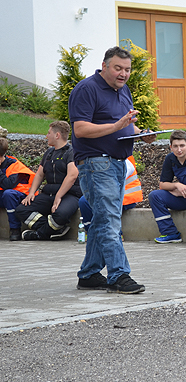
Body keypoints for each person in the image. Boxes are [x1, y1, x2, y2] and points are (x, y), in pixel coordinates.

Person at [68, 46, 155, 294]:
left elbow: (126, 125)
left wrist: (141, 134)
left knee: (101, 221)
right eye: (118, 68)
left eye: (127, 69)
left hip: (118, 164)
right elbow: (81, 130)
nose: (123, 74)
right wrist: (117, 126)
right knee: (109, 221)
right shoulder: (86, 89)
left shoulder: (123, 90)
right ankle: (119, 275)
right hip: (96, 164)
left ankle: (89, 274)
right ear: (104, 65)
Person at [17, 121, 82, 242]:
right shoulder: (49, 153)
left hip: (69, 195)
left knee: (60, 215)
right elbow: (40, 174)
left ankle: (39, 234)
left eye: (49, 133)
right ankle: (54, 230)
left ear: (57, 135)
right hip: (49, 194)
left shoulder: (72, 152)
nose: (46, 136)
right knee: (22, 209)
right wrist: (31, 193)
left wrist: (59, 196)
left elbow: (72, 176)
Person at [78, 155, 143, 235]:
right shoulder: (111, 157)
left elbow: (111, 183)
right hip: (120, 196)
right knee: (85, 201)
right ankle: (92, 232)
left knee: (100, 204)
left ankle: (115, 234)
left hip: (127, 197)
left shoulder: (123, 158)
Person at [0, 137, 35, 241]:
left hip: (20, 197)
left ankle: (15, 229)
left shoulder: (14, 165)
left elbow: (8, 184)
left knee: (8, 194)